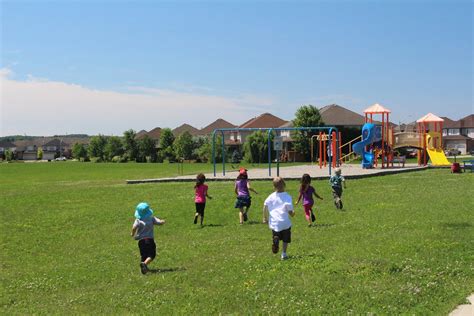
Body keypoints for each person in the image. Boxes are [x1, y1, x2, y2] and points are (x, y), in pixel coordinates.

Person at [262, 177, 295, 260]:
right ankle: (283, 254)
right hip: (285, 222)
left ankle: (276, 238)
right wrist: (293, 214)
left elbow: (265, 206)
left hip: (274, 222)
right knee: (285, 239)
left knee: (276, 234)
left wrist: (264, 218)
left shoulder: (271, 196)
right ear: (284, 185)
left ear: (274, 187)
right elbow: (290, 211)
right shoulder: (287, 196)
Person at [130, 202, 165, 274]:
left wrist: (132, 234)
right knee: (152, 254)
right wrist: (162, 221)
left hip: (141, 241)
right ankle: (145, 264)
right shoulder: (151, 219)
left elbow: (134, 227)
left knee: (144, 255)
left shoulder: (138, 220)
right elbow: (159, 222)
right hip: (149, 240)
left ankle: (143, 269)